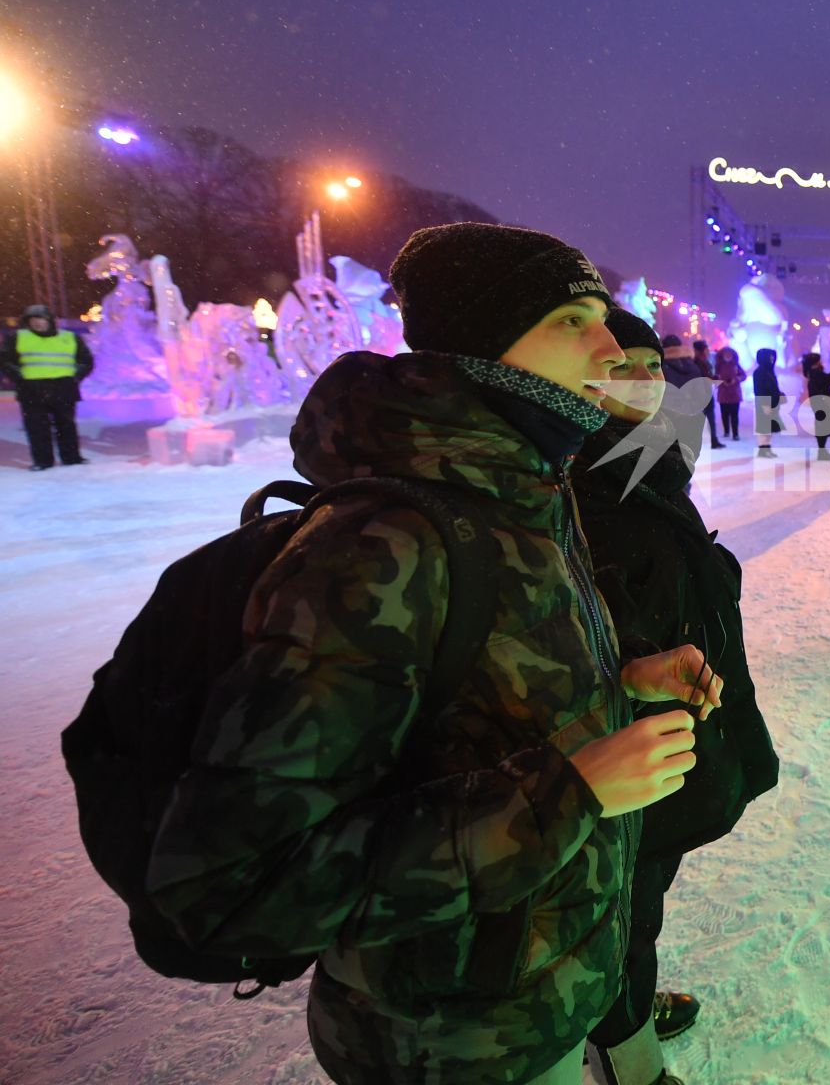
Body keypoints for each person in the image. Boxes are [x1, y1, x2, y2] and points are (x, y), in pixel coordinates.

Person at [147, 223, 716, 1085]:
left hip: (542, 997)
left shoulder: (524, 483)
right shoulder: (382, 542)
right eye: (571, 319)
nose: (608, 343)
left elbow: (476, 701)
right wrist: (572, 792)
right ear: (486, 342)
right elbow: (235, 883)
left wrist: (621, 678)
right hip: (448, 1044)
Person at [575, 309, 778, 1085]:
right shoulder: (573, 481)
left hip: (665, 725)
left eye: (652, 366)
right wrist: (634, 670)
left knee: (640, 897)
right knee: (617, 910)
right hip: (615, 746)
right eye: (621, 365)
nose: (644, 380)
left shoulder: (644, 464)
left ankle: (622, 1004)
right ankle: (628, 1058)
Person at [2, 303, 94, 470]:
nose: (37, 323)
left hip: (63, 388)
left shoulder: (70, 338)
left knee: (66, 426)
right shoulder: (19, 337)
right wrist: (20, 377)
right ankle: (43, 461)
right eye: (33, 320)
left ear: (50, 320)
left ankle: (71, 458)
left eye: (41, 319)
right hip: (31, 390)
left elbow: (86, 361)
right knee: (37, 428)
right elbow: (6, 361)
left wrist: (75, 377)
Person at [801, 351, 830, 462]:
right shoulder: (816, 373)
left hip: (818, 402)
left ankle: (822, 451)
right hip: (822, 402)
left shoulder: (812, 373)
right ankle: (822, 452)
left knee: (822, 427)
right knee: (823, 428)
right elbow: (828, 380)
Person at [690, 340, 723, 449]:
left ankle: (714, 440)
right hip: (700, 396)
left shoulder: (705, 362)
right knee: (699, 420)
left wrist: (714, 378)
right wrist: (713, 379)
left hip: (707, 394)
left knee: (711, 419)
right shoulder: (696, 363)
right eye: (706, 349)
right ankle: (697, 442)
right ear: (700, 350)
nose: (708, 351)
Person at [751, 348, 783, 458]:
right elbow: (758, 389)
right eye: (769, 357)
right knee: (764, 428)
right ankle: (762, 449)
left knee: (769, 428)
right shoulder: (759, 372)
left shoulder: (769, 371)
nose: (772, 359)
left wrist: (779, 394)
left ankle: (767, 448)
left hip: (773, 402)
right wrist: (764, 404)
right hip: (764, 402)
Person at [711, 346, 744, 441]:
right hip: (723, 394)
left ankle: (735, 434)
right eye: (726, 354)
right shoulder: (718, 366)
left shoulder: (736, 365)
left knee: (734, 415)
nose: (728, 356)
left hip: (734, 394)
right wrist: (721, 380)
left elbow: (743, 375)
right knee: (724, 414)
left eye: (729, 354)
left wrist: (736, 380)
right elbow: (714, 377)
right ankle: (726, 431)